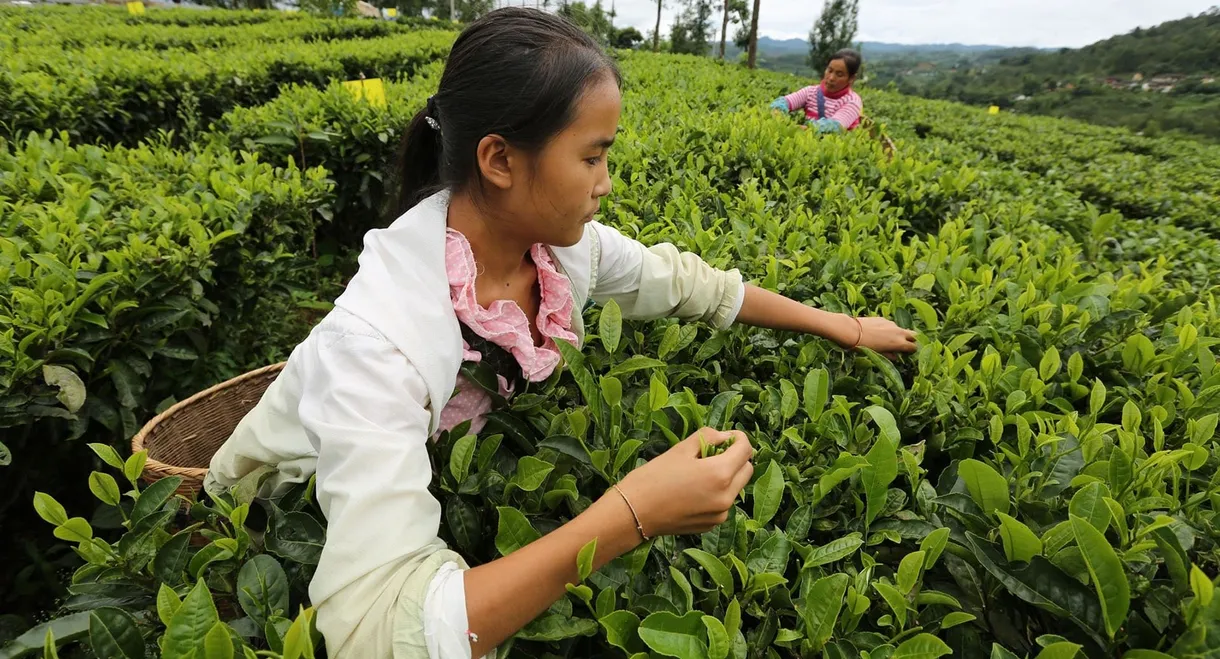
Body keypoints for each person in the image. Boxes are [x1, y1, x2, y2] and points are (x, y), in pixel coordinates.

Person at [203, 9, 916, 659]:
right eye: (592, 156)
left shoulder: (559, 250)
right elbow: (377, 628)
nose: (606, 181)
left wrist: (845, 327)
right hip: (276, 534)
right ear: (500, 160)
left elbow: (694, 286)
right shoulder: (382, 337)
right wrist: (634, 512)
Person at [770, 49, 864, 134]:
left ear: (851, 78)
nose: (831, 78)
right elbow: (783, 102)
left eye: (839, 74)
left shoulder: (853, 101)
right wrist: (778, 115)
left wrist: (796, 129)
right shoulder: (811, 92)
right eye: (829, 70)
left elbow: (835, 127)